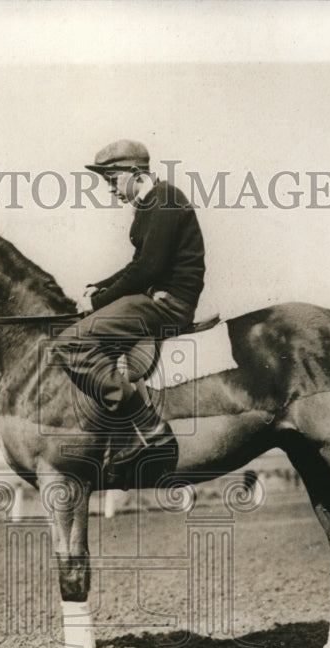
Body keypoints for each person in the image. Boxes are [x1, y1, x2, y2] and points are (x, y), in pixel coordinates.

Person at [55, 139, 205, 465]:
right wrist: (100, 287)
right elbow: (137, 266)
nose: (110, 190)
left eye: (112, 180)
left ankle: (147, 425)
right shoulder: (149, 203)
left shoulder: (165, 200)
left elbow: (149, 268)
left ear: (135, 172)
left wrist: (97, 304)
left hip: (168, 304)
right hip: (154, 297)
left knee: (70, 342)